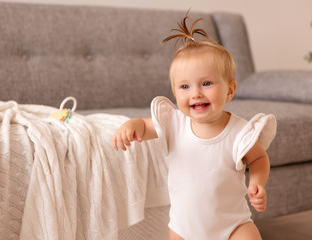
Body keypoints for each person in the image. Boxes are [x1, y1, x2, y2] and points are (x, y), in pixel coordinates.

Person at [112, 13, 277, 240]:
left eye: (206, 83)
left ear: (230, 90)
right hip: (184, 229)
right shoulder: (173, 124)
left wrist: (257, 183)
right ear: (175, 92)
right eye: (185, 86)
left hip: (232, 225)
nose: (196, 93)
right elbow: (144, 126)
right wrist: (132, 126)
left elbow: (258, 159)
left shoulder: (239, 131)